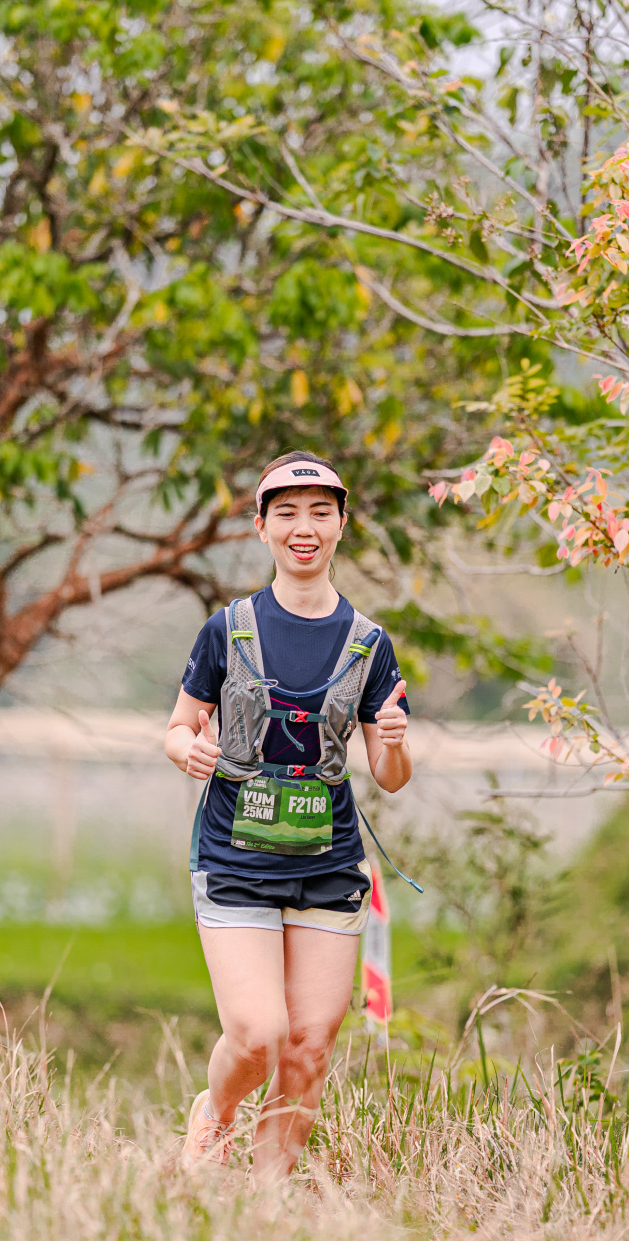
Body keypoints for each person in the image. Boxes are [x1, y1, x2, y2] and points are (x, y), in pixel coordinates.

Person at [164, 450, 413, 1179]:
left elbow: (391, 776)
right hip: (234, 856)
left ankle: (267, 1198)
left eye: (320, 513)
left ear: (341, 524)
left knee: (308, 1045)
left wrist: (396, 741)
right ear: (262, 526)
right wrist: (187, 750)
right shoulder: (227, 629)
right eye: (288, 513)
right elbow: (178, 726)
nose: (305, 528)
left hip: (329, 864)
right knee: (258, 1033)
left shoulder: (370, 643)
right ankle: (216, 1115)